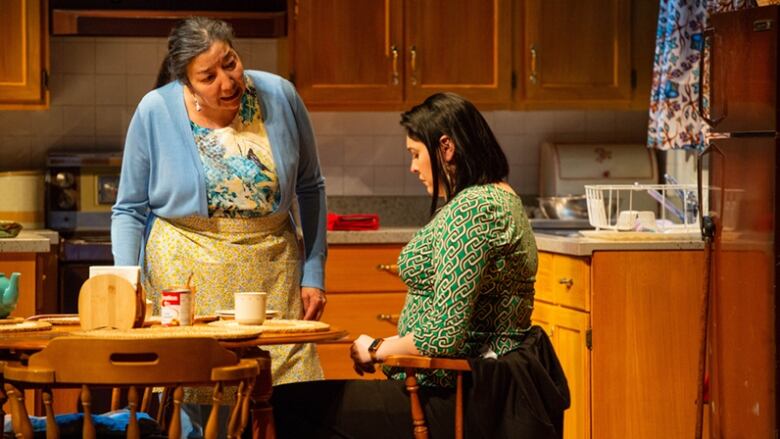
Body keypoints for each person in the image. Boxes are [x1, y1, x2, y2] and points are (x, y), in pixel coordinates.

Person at [271, 92, 569, 438]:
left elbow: (442, 335)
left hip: (457, 395)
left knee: (279, 405)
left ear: (446, 147)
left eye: (415, 154)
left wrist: (376, 348)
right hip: (462, 385)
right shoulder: (496, 197)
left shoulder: (475, 209)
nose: (412, 167)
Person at [110, 16, 327, 435]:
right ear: (185, 83)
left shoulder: (280, 95)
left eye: (230, 63)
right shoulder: (155, 110)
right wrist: (127, 282)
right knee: (198, 400)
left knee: (287, 399)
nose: (227, 82)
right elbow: (129, 208)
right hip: (186, 277)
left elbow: (310, 186)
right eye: (208, 76)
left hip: (273, 273)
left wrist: (314, 271)